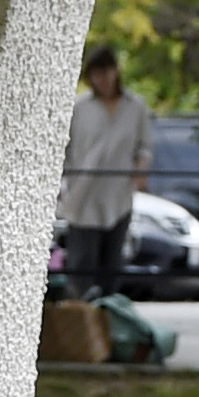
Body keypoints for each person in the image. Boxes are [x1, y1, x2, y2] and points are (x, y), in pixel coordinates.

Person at [56, 43, 151, 295]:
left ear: (116, 72)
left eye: (107, 73)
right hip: (83, 197)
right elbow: (64, 150)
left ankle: (108, 321)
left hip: (118, 196)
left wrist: (140, 170)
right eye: (97, 75)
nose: (103, 80)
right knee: (81, 266)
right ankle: (81, 323)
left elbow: (144, 147)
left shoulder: (135, 107)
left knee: (112, 266)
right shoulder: (79, 108)